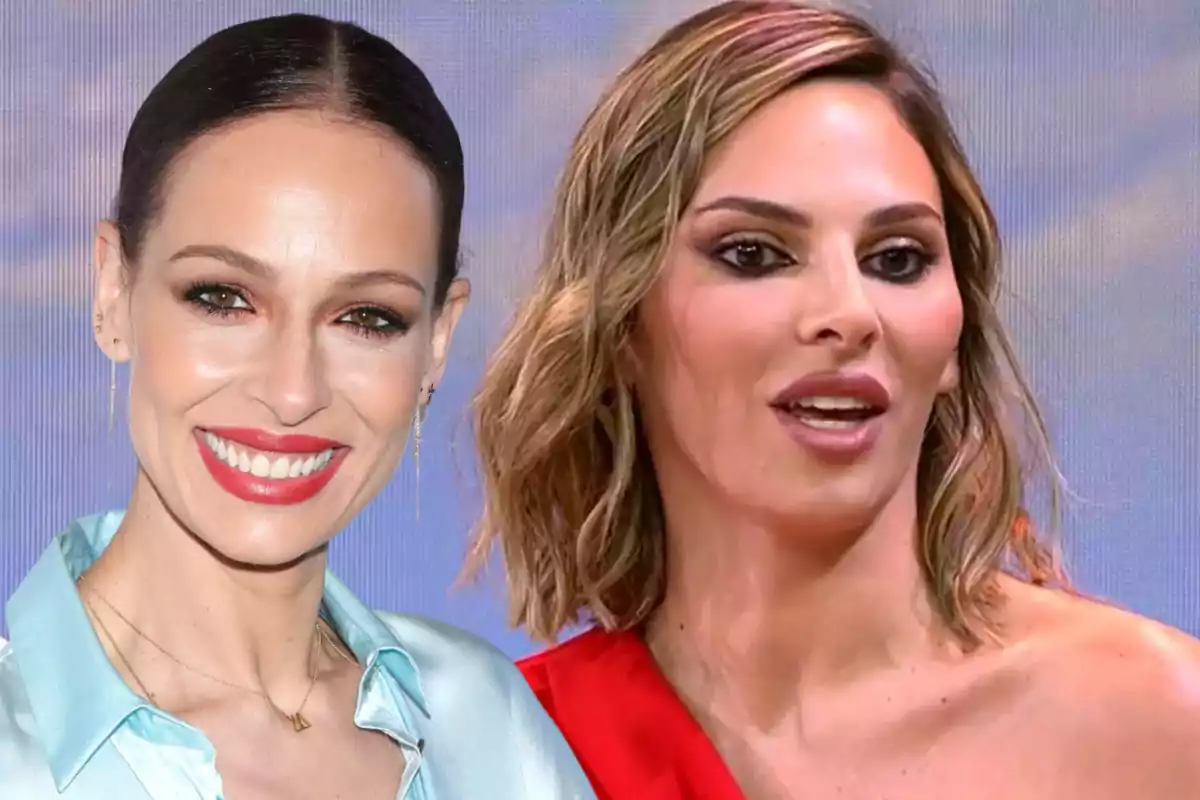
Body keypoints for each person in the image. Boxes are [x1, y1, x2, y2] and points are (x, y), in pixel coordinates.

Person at [467, 2, 1200, 798]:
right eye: (753, 254)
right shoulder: (494, 763)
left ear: (955, 337)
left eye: (896, 258)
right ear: (620, 327)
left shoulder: (1152, 722)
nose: (849, 314)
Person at [0, 13, 594, 800]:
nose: (291, 392)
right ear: (113, 290)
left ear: (438, 343)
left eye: (367, 318)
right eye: (223, 298)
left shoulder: (487, 726)